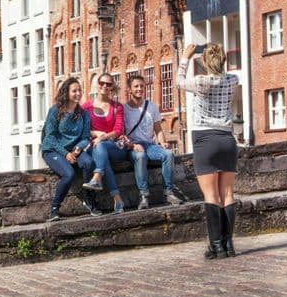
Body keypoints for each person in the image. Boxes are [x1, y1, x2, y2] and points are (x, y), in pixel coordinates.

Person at [178, 43, 239, 259]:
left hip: (205, 139)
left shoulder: (200, 82)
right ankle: (228, 244)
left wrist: (185, 57)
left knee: (211, 194)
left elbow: (179, 81)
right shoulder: (233, 80)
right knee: (228, 194)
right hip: (226, 139)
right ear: (223, 60)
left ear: (205, 62)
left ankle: (216, 246)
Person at [41, 77, 98, 221]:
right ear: (66, 92)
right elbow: (50, 137)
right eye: (74, 91)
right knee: (69, 174)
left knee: (89, 163)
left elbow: (85, 137)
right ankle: (54, 209)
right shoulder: (55, 111)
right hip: (53, 150)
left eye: (79, 90)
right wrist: (65, 153)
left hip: (74, 150)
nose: (78, 93)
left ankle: (89, 200)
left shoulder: (83, 114)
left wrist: (78, 149)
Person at [123, 75, 183, 210]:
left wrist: (163, 142)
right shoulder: (124, 109)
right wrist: (132, 145)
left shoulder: (151, 107)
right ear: (129, 90)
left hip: (149, 145)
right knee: (140, 156)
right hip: (132, 147)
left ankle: (168, 192)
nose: (139, 89)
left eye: (142, 86)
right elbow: (121, 133)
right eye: (136, 86)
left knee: (167, 154)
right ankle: (144, 195)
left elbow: (158, 129)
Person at [81, 73, 127, 214]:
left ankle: (97, 177)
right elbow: (83, 130)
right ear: (98, 84)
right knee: (102, 158)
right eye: (102, 83)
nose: (105, 86)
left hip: (114, 146)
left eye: (108, 84)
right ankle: (117, 199)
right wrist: (95, 134)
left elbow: (118, 130)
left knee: (101, 147)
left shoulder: (117, 107)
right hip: (95, 147)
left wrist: (104, 137)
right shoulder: (87, 107)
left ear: (112, 87)